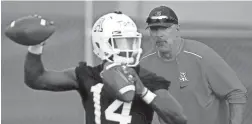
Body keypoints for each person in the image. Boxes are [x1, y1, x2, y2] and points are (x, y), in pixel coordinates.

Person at [22, 11, 187, 124]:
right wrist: (36, 45)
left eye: (131, 42)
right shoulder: (87, 75)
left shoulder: (147, 79)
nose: (128, 48)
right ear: (102, 43)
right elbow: (37, 79)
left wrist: (143, 91)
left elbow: (178, 119)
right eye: (121, 42)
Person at [139, 6, 248, 124]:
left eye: (164, 28)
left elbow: (236, 93)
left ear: (177, 29)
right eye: (154, 29)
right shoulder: (144, 64)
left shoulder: (201, 55)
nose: (159, 34)